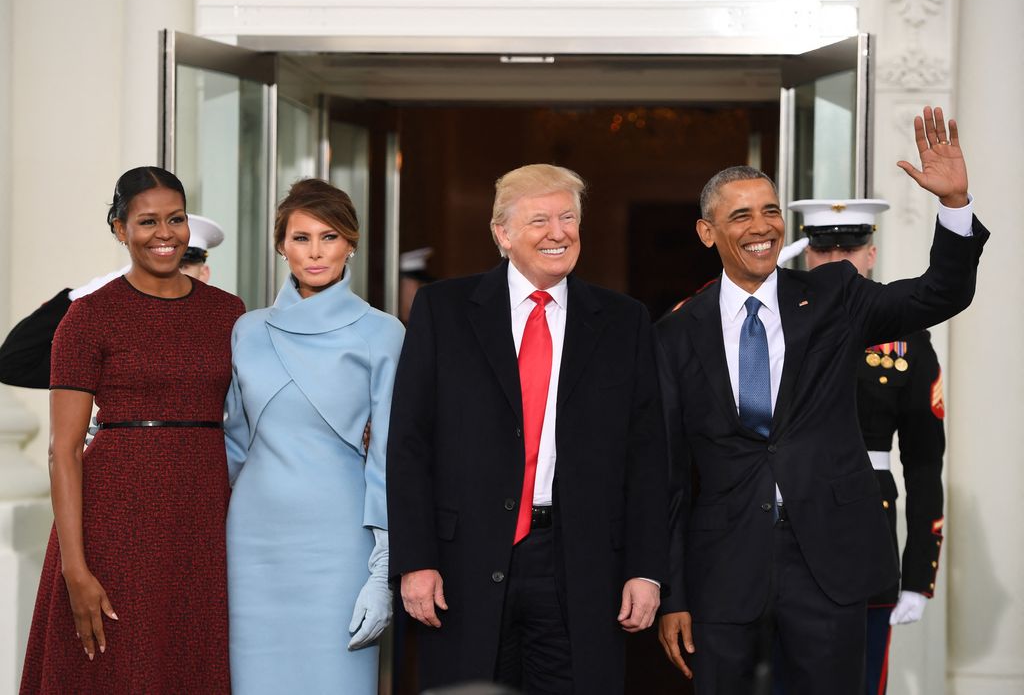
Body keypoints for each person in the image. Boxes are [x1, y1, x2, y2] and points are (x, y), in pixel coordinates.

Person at [655, 106, 987, 695]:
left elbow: (941, 293)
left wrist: (955, 207)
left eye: (770, 211)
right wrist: (672, 593)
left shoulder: (834, 294)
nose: (762, 226)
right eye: (740, 216)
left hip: (827, 560)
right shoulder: (677, 332)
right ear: (708, 232)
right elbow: (671, 477)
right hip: (723, 565)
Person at [387, 163, 668, 694]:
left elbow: (648, 456)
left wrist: (646, 570)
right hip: (462, 563)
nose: (558, 232)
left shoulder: (623, 320)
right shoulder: (443, 310)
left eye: (568, 218)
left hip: (583, 563)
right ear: (502, 234)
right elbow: (409, 445)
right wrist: (415, 560)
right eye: (539, 220)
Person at [20, 167, 245, 694]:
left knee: (190, 662)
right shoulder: (87, 318)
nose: (164, 233)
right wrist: (76, 570)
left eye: (176, 219)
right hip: (113, 523)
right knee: (115, 670)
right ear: (120, 230)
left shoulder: (229, 313)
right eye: (147, 222)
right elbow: (64, 452)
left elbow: (259, 410)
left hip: (203, 521)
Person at [224, 178, 404, 694]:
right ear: (281, 245)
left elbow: (388, 458)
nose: (315, 251)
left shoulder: (382, 332)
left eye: (329, 237)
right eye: (301, 238)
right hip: (252, 542)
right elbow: (232, 444)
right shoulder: (247, 329)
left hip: (339, 543)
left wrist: (383, 570)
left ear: (351, 242)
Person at [773, 198, 945, 695]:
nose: (836, 262)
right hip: (781, 526)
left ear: (871, 255)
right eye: (823, 250)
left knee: (859, 681)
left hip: (863, 526)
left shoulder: (905, 339)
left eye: (850, 249)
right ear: (806, 254)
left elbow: (924, 459)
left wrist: (918, 572)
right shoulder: (770, 322)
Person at [0, 214, 225, 390]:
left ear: (204, 273)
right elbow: (13, 364)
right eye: (158, 266)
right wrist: (79, 296)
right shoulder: (117, 342)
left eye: (183, 266)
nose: (170, 275)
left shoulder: (225, 326)